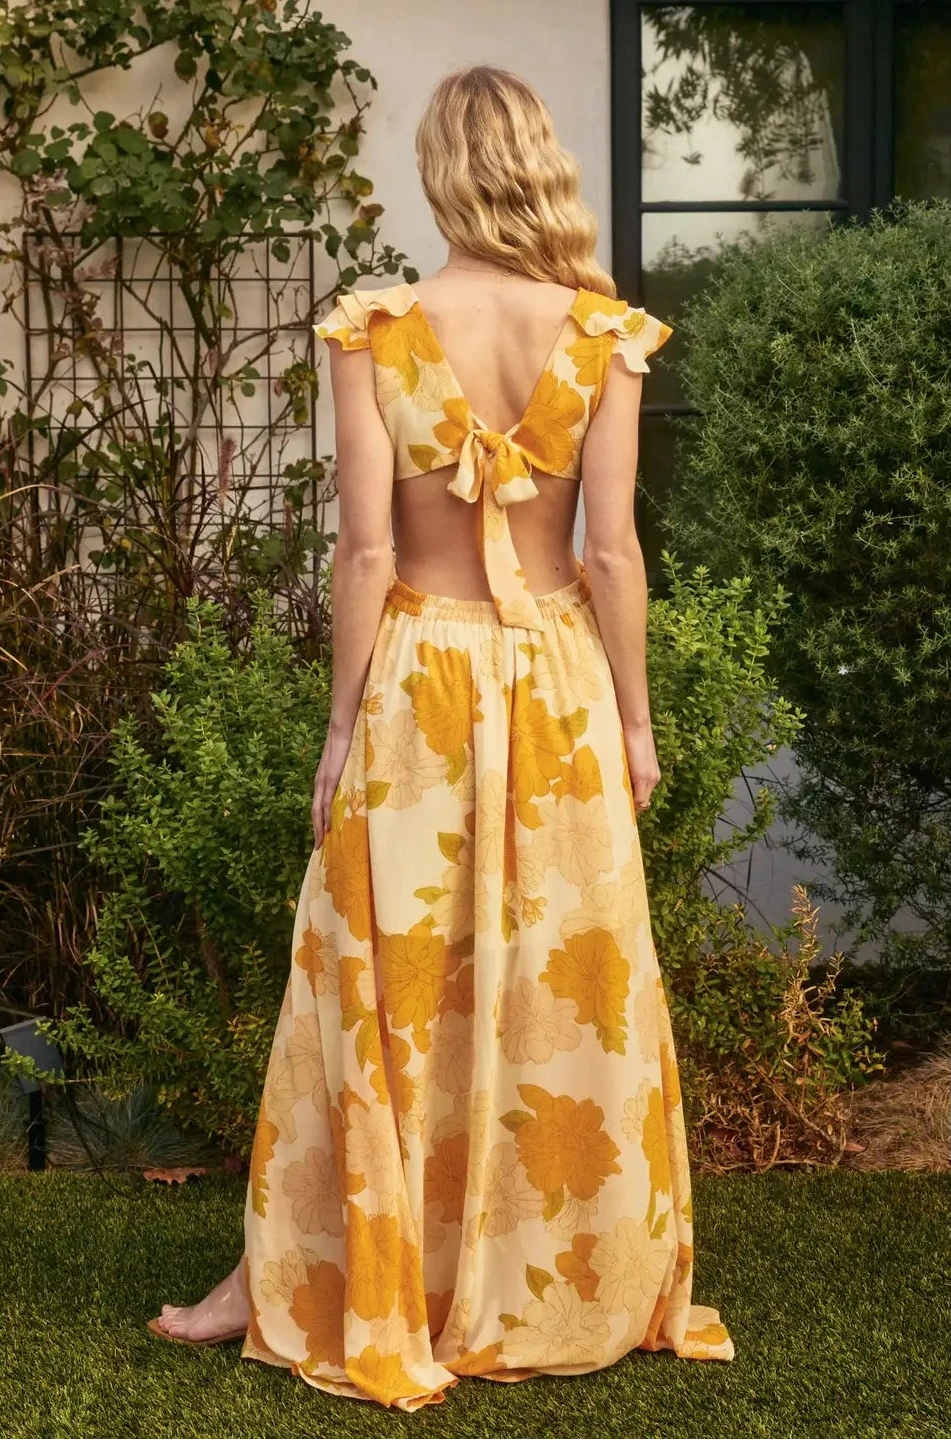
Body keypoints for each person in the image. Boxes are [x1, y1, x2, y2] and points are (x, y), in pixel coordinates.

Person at [148, 62, 734, 1409]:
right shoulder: (601, 334)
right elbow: (613, 553)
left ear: (439, 175)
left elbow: (362, 549)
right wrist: (636, 725)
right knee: (552, 980)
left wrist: (338, 724)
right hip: (559, 689)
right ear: (536, 167)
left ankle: (306, 1276)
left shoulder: (376, 329)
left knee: (372, 977)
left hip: (419, 676)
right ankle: (545, 1283)